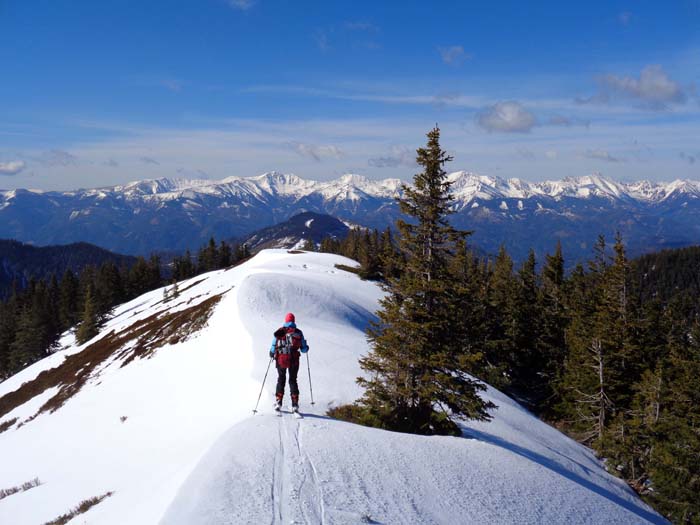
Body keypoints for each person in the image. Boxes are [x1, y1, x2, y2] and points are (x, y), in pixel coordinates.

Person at [269, 312, 309, 412]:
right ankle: (295, 404)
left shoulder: (280, 331)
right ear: (294, 321)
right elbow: (304, 350)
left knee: (281, 379)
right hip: (294, 360)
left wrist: (271, 353)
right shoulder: (299, 332)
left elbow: (274, 345)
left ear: (286, 321)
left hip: (281, 358)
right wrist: (306, 347)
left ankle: (278, 401)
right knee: (293, 380)